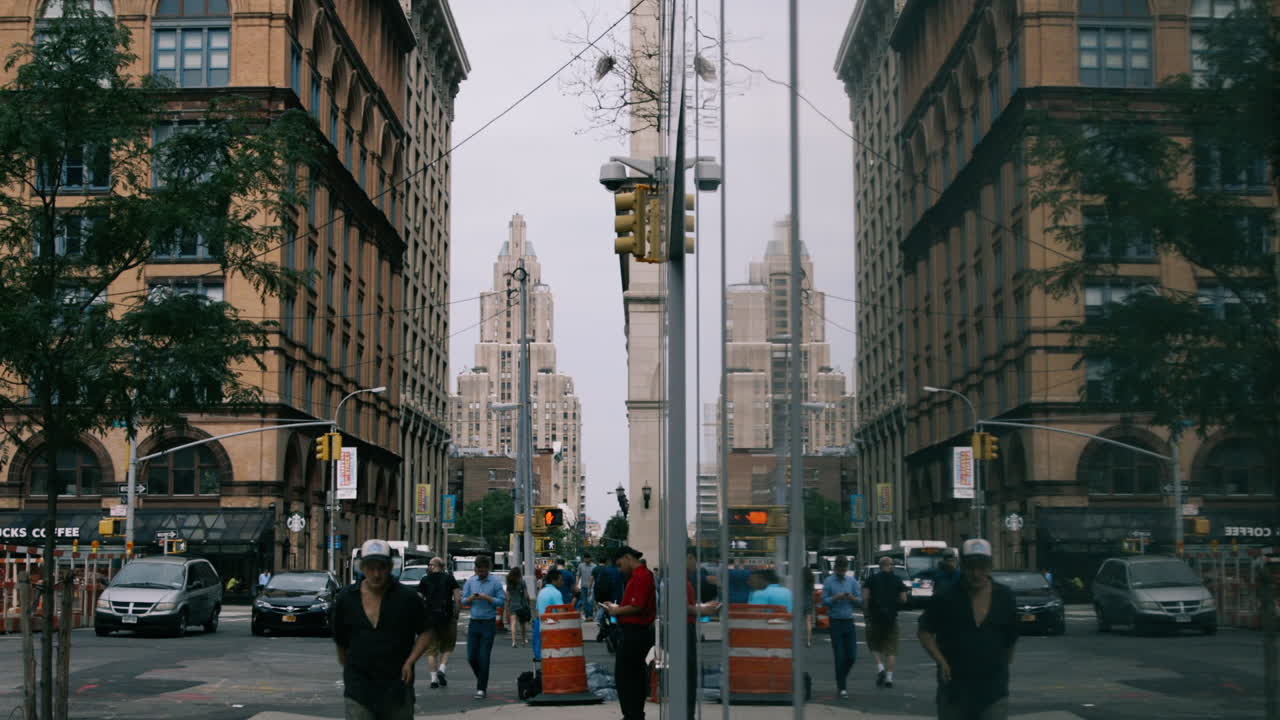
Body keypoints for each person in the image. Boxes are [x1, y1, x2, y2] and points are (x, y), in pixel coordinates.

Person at [331, 539, 432, 720]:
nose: (376, 574)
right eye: (371, 567)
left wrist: (411, 661)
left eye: (382, 567)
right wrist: (350, 670)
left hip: (397, 687)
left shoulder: (407, 598)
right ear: (362, 567)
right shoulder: (346, 599)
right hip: (359, 688)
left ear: (390, 567)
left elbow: (427, 631)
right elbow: (340, 641)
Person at [918, 539, 1018, 720]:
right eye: (971, 567)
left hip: (993, 692)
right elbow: (924, 631)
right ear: (962, 566)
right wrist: (941, 661)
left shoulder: (1005, 596)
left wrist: (1002, 667)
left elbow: (1011, 639)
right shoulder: (945, 596)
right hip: (954, 691)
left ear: (990, 566)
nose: (976, 573)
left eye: (982, 567)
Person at [602, 546, 656, 720]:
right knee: (632, 675)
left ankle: (632, 714)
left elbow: (637, 606)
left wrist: (616, 611)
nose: (620, 569)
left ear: (627, 557)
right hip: (635, 631)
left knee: (626, 677)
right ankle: (633, 713)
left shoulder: (641, 577)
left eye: (620, 564)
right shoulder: (639, 576)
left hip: (635, 632)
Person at [460, 556, 506, 699]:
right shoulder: (470, 581)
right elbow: (463, 600)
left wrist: (488, 598)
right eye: (479, 571)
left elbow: (502, 601)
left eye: (483, 571)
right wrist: (471, 599)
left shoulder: (495, 582)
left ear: (488, 569)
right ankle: (482, 677)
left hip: (488, 623)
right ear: (475, 569)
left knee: (484, 656)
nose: (481, 573)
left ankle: (481, 688)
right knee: (471, 657)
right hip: (474, 622)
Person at [863, 555, 907, 692]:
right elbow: (903, 599)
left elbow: (865, 598)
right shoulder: (897, 580)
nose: (892, 566)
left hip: (875, 617)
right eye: (892, 564)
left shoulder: (871, 579)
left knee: (873, 644)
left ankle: (880, 667)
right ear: (889, 565)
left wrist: (866, 613)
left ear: (880, 566)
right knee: (891, 649)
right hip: (891, 619)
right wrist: (894, 603)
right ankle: (889, 678)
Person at [416, 556, 461, 689]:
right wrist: (456, 613)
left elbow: (419, 599)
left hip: (429, 619)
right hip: (446, 617)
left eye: (430, 564)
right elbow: (457, 598)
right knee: (448, 646)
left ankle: (433, 679)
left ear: (435, 565)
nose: (429, 567)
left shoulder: (425, 579)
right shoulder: (449, 578)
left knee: (431, 650)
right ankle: (442, 669)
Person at [822, 556, 861, 700]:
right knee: (839, 656)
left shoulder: (852, 581)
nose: (842, 572)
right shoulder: (828, 581)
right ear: (835, 568)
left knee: (851, 656)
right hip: (835, 621)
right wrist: (835, 598)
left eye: (844, 569)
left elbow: (860, 601)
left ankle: (841, 676)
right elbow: (824, 601)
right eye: (840, 569)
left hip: (849, 621)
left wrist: (852, 598)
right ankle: (842, 686)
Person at [533, 568, 566, 665]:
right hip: (553, 628)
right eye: (561, 579)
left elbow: (537, 611)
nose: (562, 582)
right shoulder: (556, 593)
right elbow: (562, 613)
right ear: (554, 580)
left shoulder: (542, 592)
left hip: (541, 627)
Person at [506, 567, 533, 648]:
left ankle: (514, 642)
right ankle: (523, 640)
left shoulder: (509, 583)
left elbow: (507, 596)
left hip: (512, 605)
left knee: (513, 623)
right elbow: (526, 595)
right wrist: (528, 602)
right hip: (521, 605)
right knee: (522, 624)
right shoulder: (522, 582)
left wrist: (507, 605)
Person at [802, 567, 817, 648]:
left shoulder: (800, 581)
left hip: (800, 602)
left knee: (798, 622)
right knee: (808, 622)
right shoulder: (811, 581)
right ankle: (808, 641)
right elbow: (813, 592)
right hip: (808, 601)